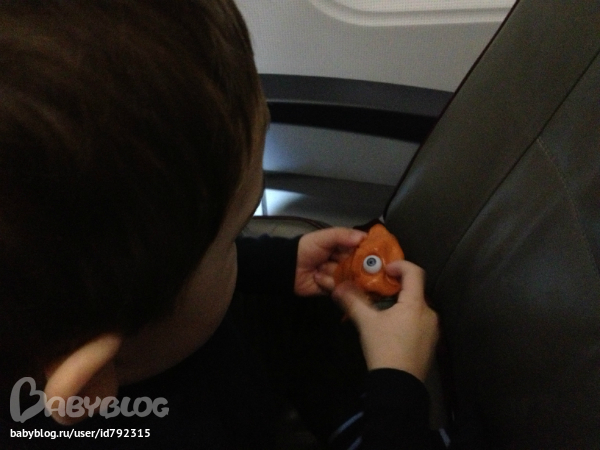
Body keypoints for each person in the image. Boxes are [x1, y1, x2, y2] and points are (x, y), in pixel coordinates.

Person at [0, 0, 442, 448]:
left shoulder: (80, 304)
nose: (243, 242)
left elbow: (166, 280)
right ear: (91, 382)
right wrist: (398, 390)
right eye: (234, 238)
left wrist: (276, 262)